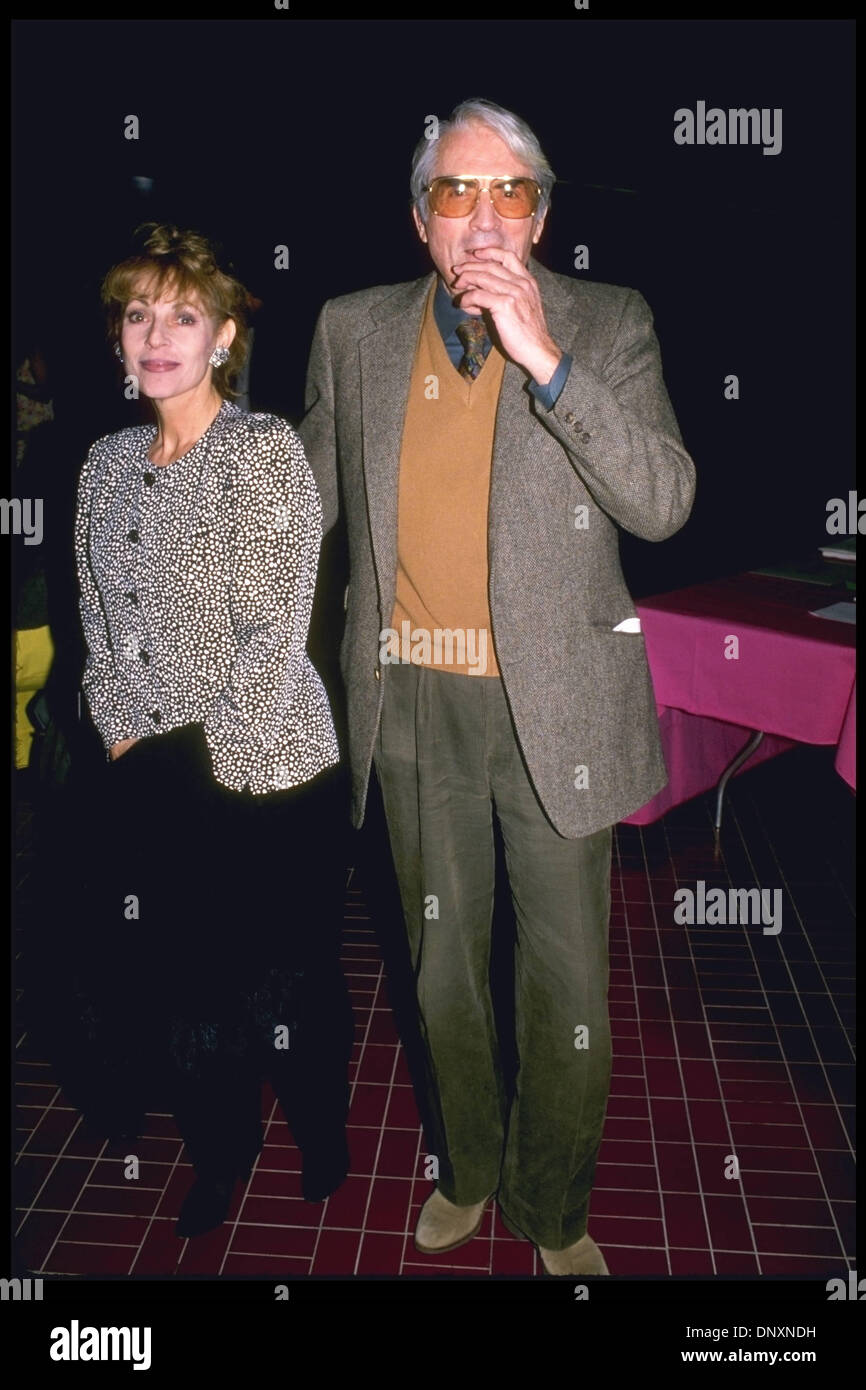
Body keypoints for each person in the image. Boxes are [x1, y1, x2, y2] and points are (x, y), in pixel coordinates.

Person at [299, 98, 696, 1275]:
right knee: (442, 974)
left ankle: (550, 1202)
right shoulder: (351, 330)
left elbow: (664, 501)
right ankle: (467, 1167)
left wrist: (548, 364)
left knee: (566, 978)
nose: (481, 216)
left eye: (507, 190)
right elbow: (299, 506)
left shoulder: (608, 323)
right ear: (418, 220)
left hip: (555, 714)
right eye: (453, 193)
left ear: (542, 211)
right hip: (415, 707)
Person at [68, 223, 354, 1238]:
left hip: (264, 765)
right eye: (138, 314)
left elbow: (276, 622)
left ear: (223, 335)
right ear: (118, 337)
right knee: (187, 987)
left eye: (182, 315)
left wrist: (208, 763)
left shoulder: (260, 450)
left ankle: (323, 1129)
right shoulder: (102, 462)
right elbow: (96, 620)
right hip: (146, 762)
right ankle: (223, 1152)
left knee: (283, 979)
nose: (156, 334)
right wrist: (115, 728)